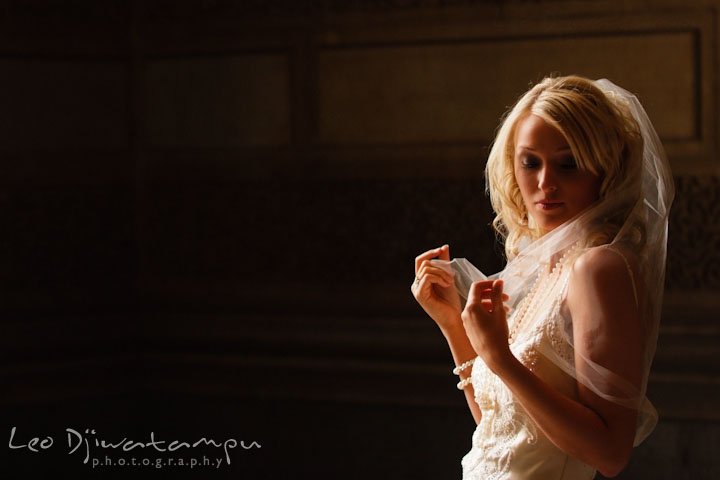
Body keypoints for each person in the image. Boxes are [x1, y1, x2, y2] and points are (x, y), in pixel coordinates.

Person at [410, 75, 674, 479]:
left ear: (604, 169)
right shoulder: (546, 270)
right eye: (530, 162)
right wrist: (452, 326)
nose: (545, 183)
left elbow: (610, 453)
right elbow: (501, 434)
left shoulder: (597, 268)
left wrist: (499, 357)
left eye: (568, 164)